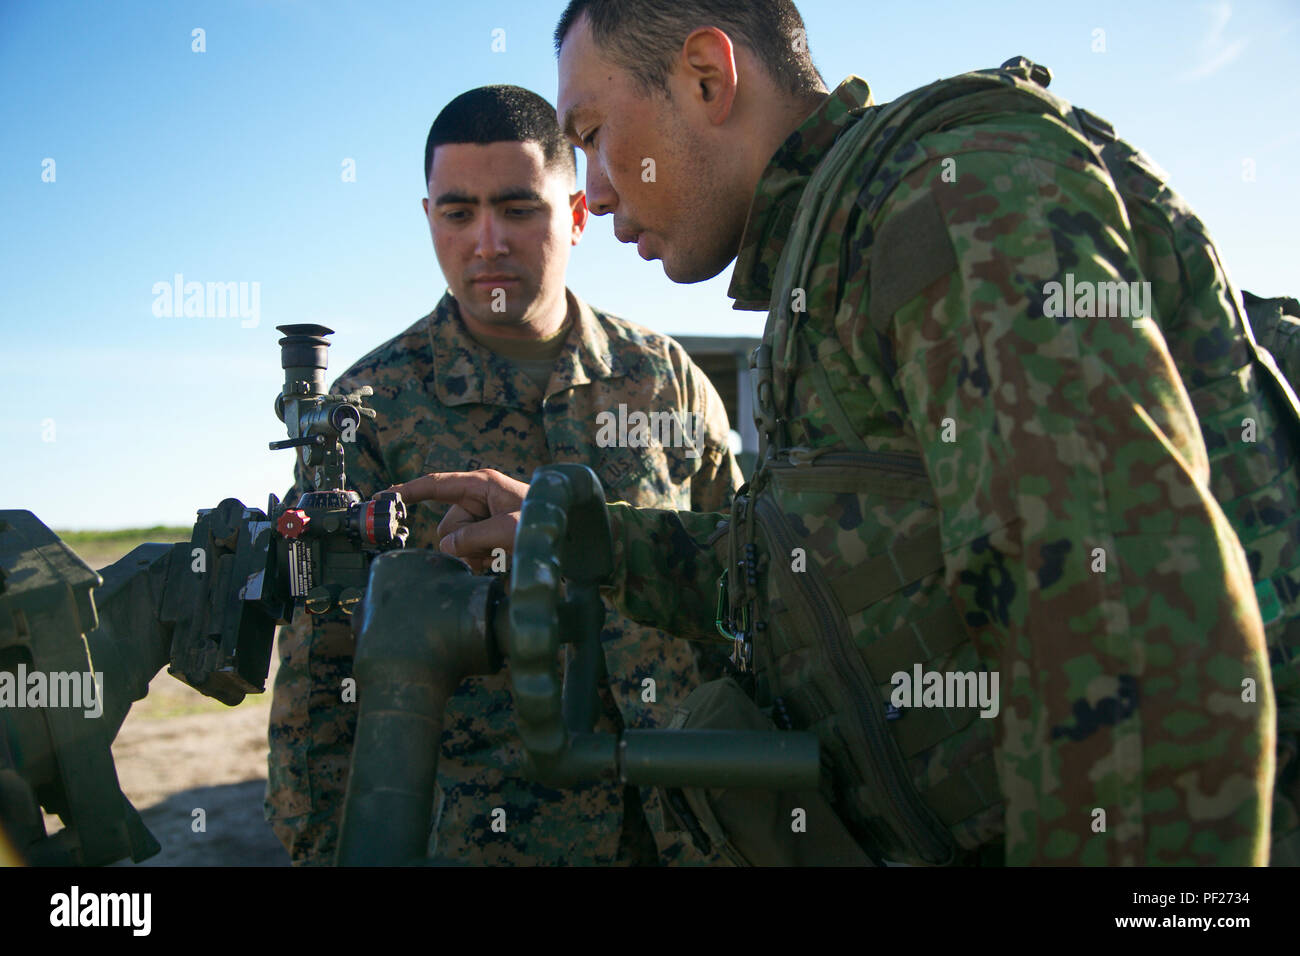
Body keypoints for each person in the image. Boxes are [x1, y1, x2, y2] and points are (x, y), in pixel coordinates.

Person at [394, 0, 1291, 865]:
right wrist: (583, 539)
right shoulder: (825, 255)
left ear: (707, 78)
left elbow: (1124, 631)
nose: (595, 186)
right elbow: (812, 574)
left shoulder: (942, 194)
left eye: (591, 133)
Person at [264, 84, 742, 866]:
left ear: (579, 214)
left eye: (519, 209)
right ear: (429, 221)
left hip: (692, 828)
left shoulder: (666, 381)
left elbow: (743, 580)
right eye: (458, 213)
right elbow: (322, 685)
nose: (487, 241)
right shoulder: (363, 415)